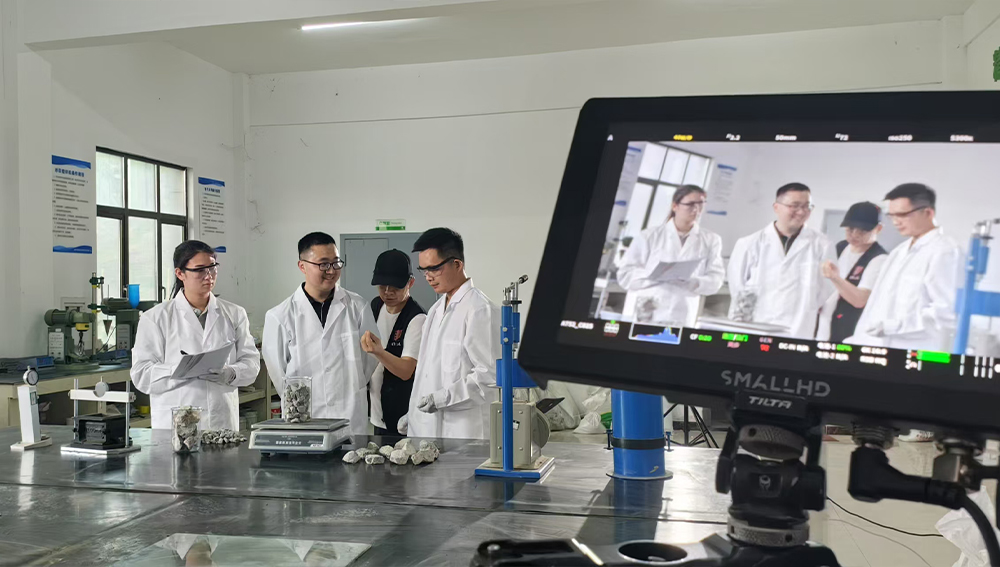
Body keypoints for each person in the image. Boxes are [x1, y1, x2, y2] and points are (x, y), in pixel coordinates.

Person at [848, 184, 963, 443]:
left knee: (915, 438)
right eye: (892, 215)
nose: (896, 222)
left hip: (918, 360)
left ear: (928, 212)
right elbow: (878, 304)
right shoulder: (900, 251)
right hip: (883, 357)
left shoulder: (946, 251)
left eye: (902, 215)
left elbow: (946, 313)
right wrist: (860, 340)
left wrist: (894, 326)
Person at [131, 240, 260, 430]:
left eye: (212, 268)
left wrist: (231, 373)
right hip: (175, 424)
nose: (208, 276)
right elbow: (141, 374)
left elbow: (251, 363)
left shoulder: (234, 314)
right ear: (180, 273)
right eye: (200, 270)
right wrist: (179, 370)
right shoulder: (155, 318)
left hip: (221, 421)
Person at [262, 232, 378, 435]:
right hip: (305, 416)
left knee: (351, 455)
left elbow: (370, 359)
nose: (331, 271)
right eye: (323, 264)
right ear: (302, 266)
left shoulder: (358, 307)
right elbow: (278, 373)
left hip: (349, 412)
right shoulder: (279, 316)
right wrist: (298, 403)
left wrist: (354, 384)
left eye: (336, 263)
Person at [398, 228, 500, 439]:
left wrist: (441, 399)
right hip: (428, 429)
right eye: (423, 270)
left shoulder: (480, 310)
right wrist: (414, 414)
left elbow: (489, 378)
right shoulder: (435, 311)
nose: (428, 277)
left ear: (457, 264)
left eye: (434, 269)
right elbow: (425, 372)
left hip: (464, 431)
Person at [727, 182, 834, 339]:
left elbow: (827, 290)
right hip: (756, 326)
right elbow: (738, 289)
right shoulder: (749, 243)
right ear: (776, 207)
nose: (801, 212)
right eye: (794, 206)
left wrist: (804, 305)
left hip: (798, 328)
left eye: (807, 206)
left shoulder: (822, 245)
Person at [617, 185, 725, 327]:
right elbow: (625, 275)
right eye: (690, 204)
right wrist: (654, 275)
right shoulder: (649, 236)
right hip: (647, 311)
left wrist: (693, 282)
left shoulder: (711, 240)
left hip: (682, 313)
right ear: (675, 206)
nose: (696, 209)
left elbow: (716, 279)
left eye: (700, 204)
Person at [360, 249, 427, 438]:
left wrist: (379, 352)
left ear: (410, 283)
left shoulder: (416, 318)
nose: (388, 292)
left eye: (395, 287)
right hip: (376, 415)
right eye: (383, 286)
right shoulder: (376, 306)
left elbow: (406, 370)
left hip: (402, 418)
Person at [816, 202, 889, 343]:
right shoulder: (841, 247)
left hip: (849, 332)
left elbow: (860, 300)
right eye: (850, 229)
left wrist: (835, 278)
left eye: (862, 231)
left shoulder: (879, 259)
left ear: (878, 229)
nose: (855, 234)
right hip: (824, 327)